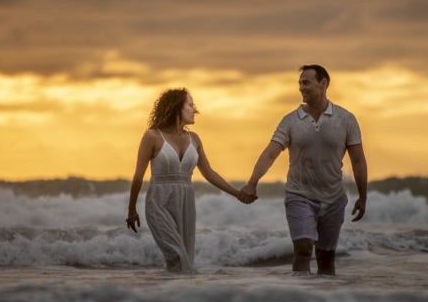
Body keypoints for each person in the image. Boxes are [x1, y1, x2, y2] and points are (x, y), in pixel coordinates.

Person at [238, 65, 368, 275]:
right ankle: (300, 299)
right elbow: (270, 153)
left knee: (326, 258)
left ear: (323, 83)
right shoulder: (291, 121)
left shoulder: (346, 119)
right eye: (299, 83)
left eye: (306, 82)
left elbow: (359, 161)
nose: (301, 88)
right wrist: (252, 182)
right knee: (303, 249)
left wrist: (363, 196)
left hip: (334, 199)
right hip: (299, 196)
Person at [126, 88, 241, 272]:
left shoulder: (194, 139)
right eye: (191, 105)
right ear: (177, 107)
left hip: (185, 205)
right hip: (159, 204)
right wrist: (132, 209)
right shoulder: (153, 136)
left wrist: (237, 193)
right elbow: (138, 175)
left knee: (182, 262)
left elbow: (209, 173)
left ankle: (174, 296)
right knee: (176, 255)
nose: (195, 110)